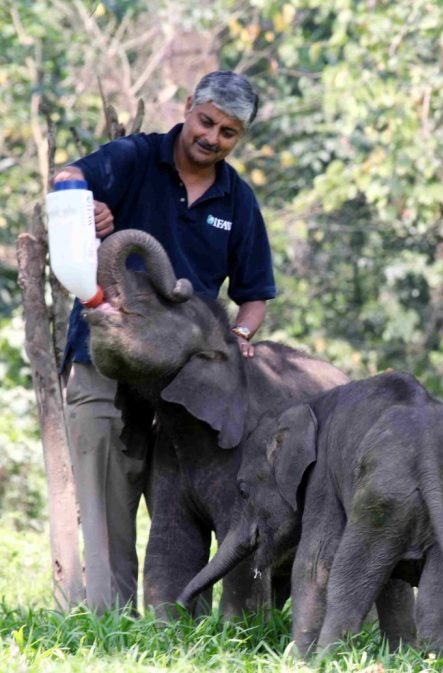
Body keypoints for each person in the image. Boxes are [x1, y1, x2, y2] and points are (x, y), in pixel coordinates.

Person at [55, 71, 276, 612]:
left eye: (228, 132)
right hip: (104, 361)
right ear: (187, 107)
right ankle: (103, 621)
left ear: (238, 138)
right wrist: (85, 204)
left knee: (181, 504)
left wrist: (242, 335)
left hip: (186, 384)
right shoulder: (135, 158)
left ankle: (175, 623)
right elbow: (67, 176)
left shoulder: (238, 200)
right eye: (206, 121)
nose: (211, 137)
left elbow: (255, 295)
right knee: (107, 501)